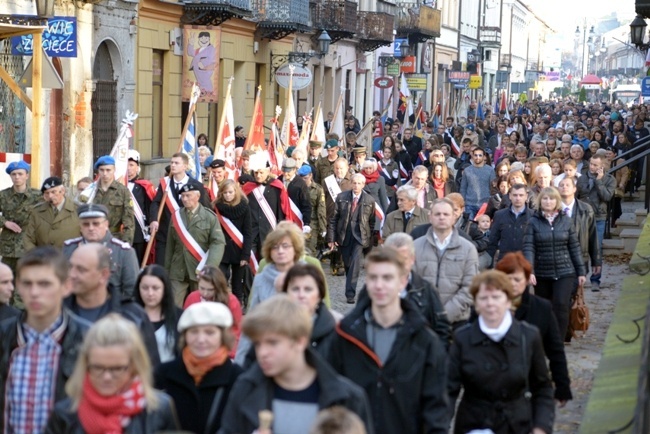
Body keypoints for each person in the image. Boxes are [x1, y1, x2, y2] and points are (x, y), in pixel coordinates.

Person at [328, 247, 449, 434]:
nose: (379, 285)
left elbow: (436, 409)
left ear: (402, 282)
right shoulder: (345, 335)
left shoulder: (425, 341)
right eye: (373, 277)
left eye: (387, 278)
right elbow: (331, 397)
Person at [220, 295, 373, 434]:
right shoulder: (245, 388)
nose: (262, 353)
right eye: (258, 344)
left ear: (300, 342)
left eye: (272, 343)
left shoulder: (347, 398)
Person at [447, 270, 555, 434]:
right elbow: (447, 390)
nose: (490, 304)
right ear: (476, 304)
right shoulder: (463, 338)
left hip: (517, 424)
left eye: (496, 297)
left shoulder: (528, 336)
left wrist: (541, 427)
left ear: (508, 301)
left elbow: (542, 388)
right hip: (474, 424)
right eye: (483, 298)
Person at [0, 247, 90, 432]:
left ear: (66, 286)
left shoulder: (88, 340)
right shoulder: (4, 336)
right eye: (27, 283)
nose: (34, 292)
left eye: (44, 284)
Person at [46, 314, 179, 433]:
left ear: (134, 367)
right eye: (97, 368)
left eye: (117, 369)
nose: (107, 377)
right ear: (86, 365)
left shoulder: (159, 409)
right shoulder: (65, 414)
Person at [66, 243, 161, 366]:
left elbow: (151, 371)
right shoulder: (57, 313)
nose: (72, 275)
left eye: (81, 269)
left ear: (104, 275)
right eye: (70, 267)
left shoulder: (133, 317)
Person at [495, 253, 572, 403]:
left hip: (529, 381)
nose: (513, 284)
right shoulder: (489, 306)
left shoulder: (541, 308)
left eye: (517, 279)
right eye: (508, 279)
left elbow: (555, 350)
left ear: (526, 280)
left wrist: (562, 386)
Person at [155, 302, 242, 433]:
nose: (201, 339)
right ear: (185, 336)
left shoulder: (238, 378)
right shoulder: (162, 374)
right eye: (194, 332)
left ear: (223, 336)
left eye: (209, 332)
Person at [523, 187, 586, 338]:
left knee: (561, 305)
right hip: (542, 271)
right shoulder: (533, 222)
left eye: (551, 198)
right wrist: (530, 270)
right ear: (540, 201)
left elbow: (574, 247)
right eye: (545, 198)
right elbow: (529, 247)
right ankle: (545, 337)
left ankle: (558, 338)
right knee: (544, 307)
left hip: (565, 271)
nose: (548, 201)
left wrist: (581, 271)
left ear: (557, 201)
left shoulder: (566, 221)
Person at [413, 198, 478, 327]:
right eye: (437, 214)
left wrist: (445, 314)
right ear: (430, 217)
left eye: (446, 214)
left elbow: (471, 287)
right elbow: (409, 284)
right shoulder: (415, 246)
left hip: (457, 321)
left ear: (454, 217)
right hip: (423, 321)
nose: (441, 217)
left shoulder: (467, 248)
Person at [382, 233, 451, 346]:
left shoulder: (426, 289)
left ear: (412, 259)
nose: (398, 264)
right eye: (393, 258)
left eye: (403, 259)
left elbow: (442, 329)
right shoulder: (373, 288)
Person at [165, 183, 226, 306]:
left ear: (197, 196)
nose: (185, 199)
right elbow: (170, 246)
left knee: (199, 305)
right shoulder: (176, 216)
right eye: (182, 196)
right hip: (178, 269)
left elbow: (218, 243)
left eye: (188, 196)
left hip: (199, 268)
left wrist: (209, 267)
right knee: (173, 305)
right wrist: (167, 271)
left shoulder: (209, 217)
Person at [63, 204, 139, 297]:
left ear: (106, 224)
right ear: (80, 227)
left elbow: (132, 291)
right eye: (86, 224)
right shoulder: (69, 248)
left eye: (96, 223)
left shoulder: (124, 252)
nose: (91, 228)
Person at [150, 152, 211, 266]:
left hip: (187, 235)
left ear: (185, 166)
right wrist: (154, 219)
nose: (173, 165)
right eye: (172, 162)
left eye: (177, 163)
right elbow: (156, 203)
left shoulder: (196, 185)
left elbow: (205, 208)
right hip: (165, 235)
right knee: (162, 268)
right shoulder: (165, 183)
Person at [328, 173, 376, 304]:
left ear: (363, 185)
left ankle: (350, 293)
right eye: (354, 183)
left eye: (359, 183)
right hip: (344, 235)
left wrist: (367, 237)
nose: (356, 185)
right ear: (351, 183)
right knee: (348, 264)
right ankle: (350, 282)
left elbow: (372, 221)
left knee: (355, 263)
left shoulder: (369, 200)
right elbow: (333, 219)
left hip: (360, 237)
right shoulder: (341, 197)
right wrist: (331, 238)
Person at [183, 265, 242, 357]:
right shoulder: (192, 297)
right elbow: (185, 326)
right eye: (202, 288)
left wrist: (229, 353)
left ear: (218, 287)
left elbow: (235, 330)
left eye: (210, 290)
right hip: (196, 348)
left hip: (223, 351)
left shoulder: (231, 301)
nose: (205, 293)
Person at [576, 154, 615, 290]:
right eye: (591, 164)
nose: (592, 167)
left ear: (602, 166)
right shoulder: (582, 178)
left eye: (595, 165)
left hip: (598, 217)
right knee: (580, 247)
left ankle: (595, 280)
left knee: (597, 248)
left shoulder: (610, 179)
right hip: (582, 216)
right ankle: (580, 277)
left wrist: (599, 181)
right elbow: (576, 197)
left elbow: (607, 196)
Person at [0, 160, 42, 277]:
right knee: (5, 280)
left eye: (20, 174)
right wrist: (4, 222)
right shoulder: (3, 195)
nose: (17, 177)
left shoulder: (38, 196)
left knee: (25, 280)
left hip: (29, 245)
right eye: (13, 174)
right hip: (9, 247)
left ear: (27, 175)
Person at [214, 179, 252, 305]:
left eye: (230, 192)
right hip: (222, 251)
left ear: (236, 192)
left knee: (237, 284)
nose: (228, 195)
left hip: (239, 250)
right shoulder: (216, 207)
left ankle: (237, 308)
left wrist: (245, 255)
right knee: (221, 281)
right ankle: (222, 306)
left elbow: (248, 233)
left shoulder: (244, 207)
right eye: (225, 193)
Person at [134, 265, 182, 363]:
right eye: (145, 288)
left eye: (155, 288)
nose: (150, 293)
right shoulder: (129, 315)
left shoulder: (180, 317)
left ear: (165, 289)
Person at [87, 155, 135, 243]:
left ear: (114, 170)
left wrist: (126, 244)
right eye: (102, 170)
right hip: (93, 238)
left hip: (114, 238)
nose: (105, 173)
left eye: (108, 170)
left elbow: (129, 221)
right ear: (98, 171)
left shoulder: (122, 191)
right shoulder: (90, 191)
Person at [24, 176, 80, 251]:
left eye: (53, 192)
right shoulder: (37, 211)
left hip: (70, 258)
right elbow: (28, 238)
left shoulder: (78, 209)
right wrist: (36, 257)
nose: (50, 196)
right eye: (47, 193)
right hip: (44, 259)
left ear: (62, 191)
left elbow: (86, 237)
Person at [487, 183, 534, 262]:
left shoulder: (533, 216)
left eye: (521, 195)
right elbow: (492, 241)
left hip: (526, 262)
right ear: (510, 196)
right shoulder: (499, 215)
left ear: (526, 196)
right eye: (515, 195)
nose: (518, 198)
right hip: (505, 261)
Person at [127, 150, 156, 264]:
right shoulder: (117, 185)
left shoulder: (144, 186)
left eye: (131, 165)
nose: (128, 168)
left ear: (137, 167)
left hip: (138, 232)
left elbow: (149, 208)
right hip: (120, 232)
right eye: (126, 165)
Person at [460, 146, 496, 219]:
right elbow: (463, 188)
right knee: (469, 227)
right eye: (475, 155)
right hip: (469, 204)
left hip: (485, 204)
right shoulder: (467, 170)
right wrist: (462, 203)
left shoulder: (490, 170)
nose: (477, 157)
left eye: (480, 155)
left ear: (484, 156)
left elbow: (493, 188)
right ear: (472, 156)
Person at [299, 165, 327, 255]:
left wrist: (323, 227)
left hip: (312, 223)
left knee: (310, 250)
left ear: (311, 175)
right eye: (301, 178)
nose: (303, 180)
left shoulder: (318, 189)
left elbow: (321, 209)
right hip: (298, 221)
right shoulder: (297, 188)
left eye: (305, 178)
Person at [280, 157, 313, 234]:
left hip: (296, 222)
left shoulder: (301, 184)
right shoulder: (278, 181)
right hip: (281, 221)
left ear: (294, 169)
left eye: (288, 171)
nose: (285, 173)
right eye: (284, 171)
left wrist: (306, 223)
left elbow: (306, 205)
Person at [187, 30, 217, 97]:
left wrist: (204, 68)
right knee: (201, 86)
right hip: (198, 72)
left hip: (204, 73)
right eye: (201, 38)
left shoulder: (211, 49)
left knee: (205, 85)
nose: (203, 40)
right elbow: (190, 53)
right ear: (199, 39)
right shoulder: (200, 49)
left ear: (209, 39)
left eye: (206, 38)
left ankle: (209, 94)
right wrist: (191, 43)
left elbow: (214, 62)